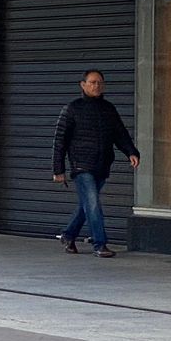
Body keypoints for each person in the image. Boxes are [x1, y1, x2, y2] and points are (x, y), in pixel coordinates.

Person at [52, 68, 140, 257]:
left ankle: (68, 235)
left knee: (86, 205)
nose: (96, 85)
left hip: (102, 164)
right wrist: (58, 169)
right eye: (92, 82)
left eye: (99, 82)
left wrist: (131, 152)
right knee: (93, 204)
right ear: (83, 85)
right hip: (81, 165)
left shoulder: (108, 109)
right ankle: (100, 244)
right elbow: (60, 141)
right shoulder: (72, 109)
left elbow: (120, 133)